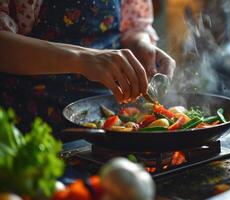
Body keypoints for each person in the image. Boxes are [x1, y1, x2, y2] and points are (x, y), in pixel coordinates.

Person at [0, 0, 176, 132]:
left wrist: (140, 44)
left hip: (104, 122)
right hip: (29, 123)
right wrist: (82, 59)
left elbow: (133, 23)